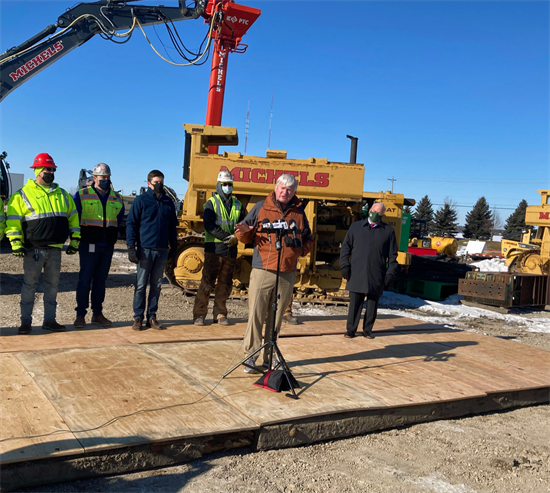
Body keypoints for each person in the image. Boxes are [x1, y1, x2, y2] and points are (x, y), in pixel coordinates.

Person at [235, 174, 314, 372]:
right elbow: (244, 236)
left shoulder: (299, 212)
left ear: (294, 192)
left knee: (276, 316)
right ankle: (250, 356)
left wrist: (300, 251)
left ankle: (269, 358)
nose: (285, 192)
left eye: (289, 189)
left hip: (286, 271)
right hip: (263, 269)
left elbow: (309, 238)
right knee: (256, 313)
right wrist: (244, 231)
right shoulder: (261, 206)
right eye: (282, 187)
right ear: (275, 187)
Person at [5, 153, 80, 334]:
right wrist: (15, 242)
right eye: (47, 169)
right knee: (29, 286)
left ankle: (49, 321)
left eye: (52, 169)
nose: (50, 172)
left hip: (55, 249)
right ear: (37, 170)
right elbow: (13, 220)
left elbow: (73, 218)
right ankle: (25, 323)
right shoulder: (22, 194)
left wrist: (75, 239)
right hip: (33, 250)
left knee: (52, 287)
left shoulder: (62, 195)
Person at [73, 163, 124, 328]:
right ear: (94, 178)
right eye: (102, 178)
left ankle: (97, 313)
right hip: (89, 244)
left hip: (107, 245)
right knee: (85, 281)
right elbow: (74, 218)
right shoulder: (82, 195)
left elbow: (119, 219)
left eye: (107, 178)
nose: (105, 181)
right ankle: (80, 315)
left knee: (100, 281)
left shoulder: (116, 198)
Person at [193, 170, 246, 326]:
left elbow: (242, 224)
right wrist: (226, 237)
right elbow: (209, 225)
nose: (227, 187)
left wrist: (237, 236)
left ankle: (220, 313)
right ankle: (199, 314)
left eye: (230, 184)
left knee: (225, 283)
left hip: (230, 249)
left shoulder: (237, 204)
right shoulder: (211, 203)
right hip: (214, 249)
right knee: (207, 282)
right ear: (218, 185)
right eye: (224, 184)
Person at [126, 169, 177, 331]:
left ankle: (152, 317)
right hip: (145, 250)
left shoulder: (168, 202)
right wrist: (131, 248)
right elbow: (131, 224)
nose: (159, 185)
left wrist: (174, 247)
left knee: (156, 285)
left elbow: (172, 227)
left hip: (161, 250)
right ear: (148, 183)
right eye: (156, 183)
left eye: (161, 182)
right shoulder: (140, 201)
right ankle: (138, 317)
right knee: (141, 285)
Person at [340, 202, 397, 339]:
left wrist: (390, 273)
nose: (375, 213)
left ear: (383, 215)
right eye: (373, 210)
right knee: (355, 304)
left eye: (379, 212)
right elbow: (345, 248)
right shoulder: (356, 227)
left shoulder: (388, 231)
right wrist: (344, 265)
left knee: (372, 304)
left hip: (376, 273)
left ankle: (367, 330)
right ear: (369, 210)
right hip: (357, 271)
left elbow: (393, 255)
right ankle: (351, 330)